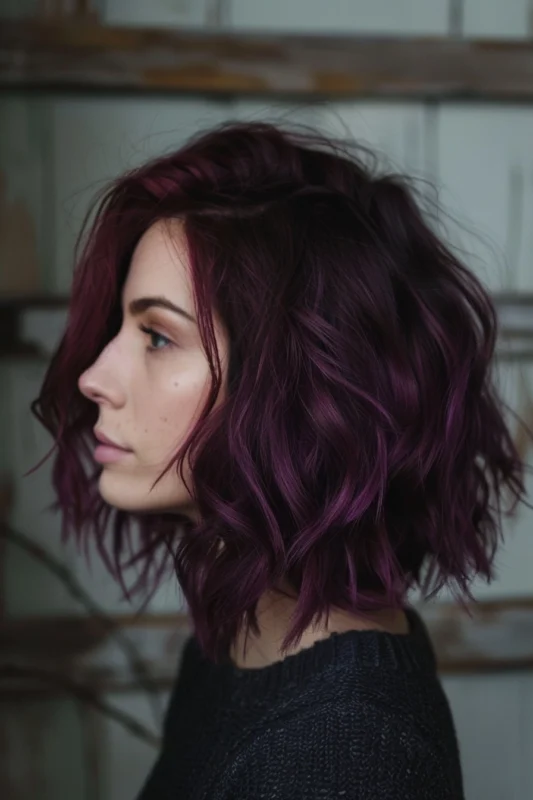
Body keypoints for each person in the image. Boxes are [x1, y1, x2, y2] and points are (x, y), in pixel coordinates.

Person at [33, 120, 527, 799]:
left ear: (296, 387)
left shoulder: (345, 753)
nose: (94, 376)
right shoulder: (237, 643)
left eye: (156, 336)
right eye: (123, 325)